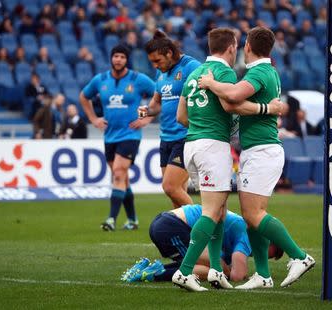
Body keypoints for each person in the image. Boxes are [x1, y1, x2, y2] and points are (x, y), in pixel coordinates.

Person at [199, 26, 315, 289]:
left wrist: (210, 83)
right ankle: (263, 274)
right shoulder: (267, 71)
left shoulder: (260, 71)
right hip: (257, 150)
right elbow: (235, 102)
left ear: (247, 47)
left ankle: (299, 256)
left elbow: (232, 96)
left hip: (263, 150)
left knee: (253, 214)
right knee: (251, 214)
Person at [172, 28, 283, 292]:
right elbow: (229, 105)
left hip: (192, 144)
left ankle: (213, 271)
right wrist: (267, 109)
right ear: (232, 48)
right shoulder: (225, 73)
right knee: (212, 211)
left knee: (219, 211)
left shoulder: (194, 73)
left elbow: (180, 116)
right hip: (213, 146)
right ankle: (185, 271)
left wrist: (202, 124)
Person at [79, 44, 155, 231]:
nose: (118, 59)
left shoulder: (138, 79)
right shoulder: (101, 79)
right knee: (121, 178)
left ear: (126, 60)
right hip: (110, 136)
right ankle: (133, 220)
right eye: (116, 56)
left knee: (119, 173)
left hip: (130, 134)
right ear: (111, 58)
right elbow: (83, 96)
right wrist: (93, 119)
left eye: (122, 56)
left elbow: (158, 95)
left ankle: (111, 219)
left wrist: (145, 118)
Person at [120, 204, 283, 284]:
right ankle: (156, 274)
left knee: (212, 268)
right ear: (268, 242)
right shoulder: (250, 234)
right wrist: (247, 275)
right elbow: (236, 275)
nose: (265, 257)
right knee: (220, 271)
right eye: (272, 253)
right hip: (173, 226)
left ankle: (152, 268)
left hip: (168, 222)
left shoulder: (244, 228)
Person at [138, 30, 200, 209]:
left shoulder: (191, 67)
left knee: (170, 186)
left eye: (157, 61)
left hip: (185, 136)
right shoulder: (161, 74)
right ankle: (185, 233)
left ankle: (204, 227)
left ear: (169, 53)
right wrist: (145, 112)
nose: (155, 66)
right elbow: (156, 104)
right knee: (176, 194)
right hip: (166, 138)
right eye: (152, 62)